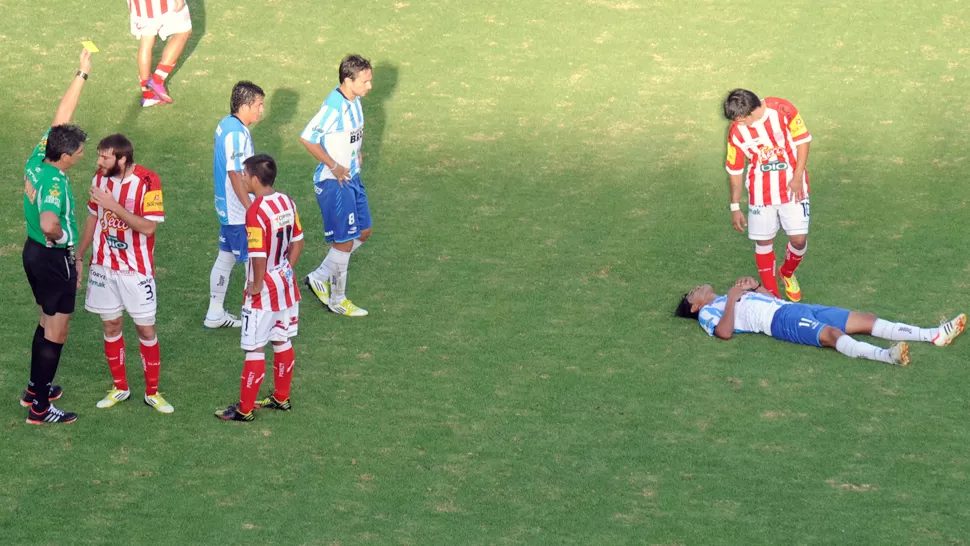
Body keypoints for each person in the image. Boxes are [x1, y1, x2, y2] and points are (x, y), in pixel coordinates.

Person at [75, 134, 174, 414]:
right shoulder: (99, 178)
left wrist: (113, 205)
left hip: (137, 271)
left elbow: (148, 228)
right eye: (98, 156)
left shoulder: (148, 181)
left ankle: (152, 392)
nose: (98, 161)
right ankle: (120, 387)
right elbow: (93, 217)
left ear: (122, 159)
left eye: (104, 157)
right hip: (104, 268)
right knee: (111, 326)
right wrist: (81, 254)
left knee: (145, 328)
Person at [20, 50, 93, 424]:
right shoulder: (53, 183)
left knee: (45, 319)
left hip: (32, 253)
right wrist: (66, 238)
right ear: (64, 156)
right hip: (52, 257)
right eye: (79, 151)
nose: (82, 154)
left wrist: (81, 74)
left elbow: (60, 118)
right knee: (57, 330)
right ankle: (40, 409)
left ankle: (36, 389)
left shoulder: (39, 157)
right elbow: (50, 222)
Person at [675, 276, 967, 366]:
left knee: (865, 319)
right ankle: (887, 356)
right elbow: (725, 332)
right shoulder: (707, 313)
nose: (696, 287)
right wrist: (733, 295)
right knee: (830, 334)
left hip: (786, 307)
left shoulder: (724, 298)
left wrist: (755, 288)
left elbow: (768, 298)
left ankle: (934, 335)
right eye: (692, 292)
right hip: (778, 322)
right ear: (694, 305)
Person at [216, 154, 304, 422]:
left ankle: (244, 409)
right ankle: (281, 397)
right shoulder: (287, 201)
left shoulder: (255, 212)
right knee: (281, 338)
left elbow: (257, 254)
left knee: (254, 347)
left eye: (244, 175)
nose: (242, 179)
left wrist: (256, 284)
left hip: (264, 287)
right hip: (286, 283)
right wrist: (285, 269)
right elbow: (299, 240)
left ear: (255, 179)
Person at [300, 54, 373, 317]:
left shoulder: (354, 100)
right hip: (335, 182)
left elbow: (351, 134)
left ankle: (320, 277)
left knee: (364, 231)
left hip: (352, 177)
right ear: (348, 80)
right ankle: (338, 299)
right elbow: (308, 138)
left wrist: (357, 151)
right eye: (365, 81)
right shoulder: (334, 107)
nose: (369, 86)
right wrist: (333, 164)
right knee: (343, 242)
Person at [723, 89, 812, 302]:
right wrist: (735, 207)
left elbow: (803, 141)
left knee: (799, 240)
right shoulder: (736, 132)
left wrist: (798, 175)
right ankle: (773, 298)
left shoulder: (782, 109)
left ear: (750, 112)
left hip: (793, 186)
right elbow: (735, 171)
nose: (737, 124)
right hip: (760, 192)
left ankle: (787, 273)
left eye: (740, 119)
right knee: (764, 243)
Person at [205, 81, 265, 328]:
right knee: (254, 263)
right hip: (238, 211)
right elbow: (234, 173)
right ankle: (254, 317)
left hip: (226, 208)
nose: (261, 110)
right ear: (244, 106)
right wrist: (250, 207)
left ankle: (214, 314)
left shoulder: (226, 124)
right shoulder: (236, 134)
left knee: (225, 259)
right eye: (259, 105)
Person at [128, 0, 193, 107]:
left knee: (146, 40)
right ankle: (157, 80)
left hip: (139, 5)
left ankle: (148, 95)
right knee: (184, 31)